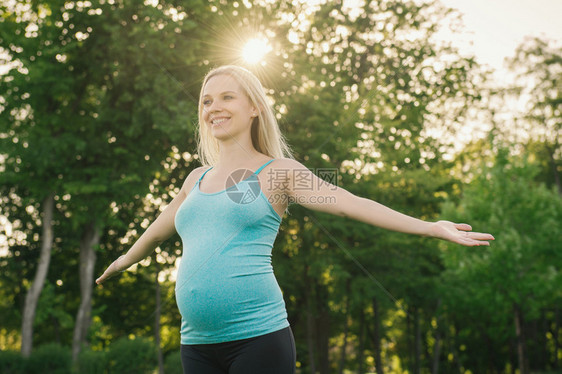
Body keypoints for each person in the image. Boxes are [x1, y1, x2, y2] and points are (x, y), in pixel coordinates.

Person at [96, 65, 494, 373]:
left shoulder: (278, 173)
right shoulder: (196, 179)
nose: (214, 107)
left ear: (253, 107)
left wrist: (430, 227)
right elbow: (158, 229)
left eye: (227, 97)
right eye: (206, 100)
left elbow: (347, 202)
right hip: (195, 342)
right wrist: (124, 260)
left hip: (258, 339)